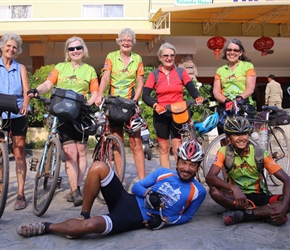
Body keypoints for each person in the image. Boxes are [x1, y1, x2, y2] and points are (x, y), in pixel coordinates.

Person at [16, 140, 206, 238]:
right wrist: (149, 194)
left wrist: (165, 221)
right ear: (178, 160)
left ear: (198, 167)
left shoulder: (198, 191)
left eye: (192, 165)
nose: (187, 168)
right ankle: (84, 213)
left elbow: (186, 217)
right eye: (184, 163)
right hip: (128, 200)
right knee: (98, 166)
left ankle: (46, 228)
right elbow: (138, 186)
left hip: (134, 218)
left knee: (88, 229)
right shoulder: (164, 172)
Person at [27, 36, 99, 207]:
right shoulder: (60, 67)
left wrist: (89, 103)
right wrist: (36, 90)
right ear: (67, 52)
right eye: (71, 49)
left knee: (81, 152)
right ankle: (75, 190)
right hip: (63, 113)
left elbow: (95, 91)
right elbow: (47, 84)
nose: (75, 51)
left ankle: (78, 188)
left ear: (83, 49)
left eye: (78, 48)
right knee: (70, 153)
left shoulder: (89, 70)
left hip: (80, 114)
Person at [205, 116, 290, 226]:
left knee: (287, 200)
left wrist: (283, 207)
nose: (241, 138)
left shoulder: (259, 153)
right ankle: (264, 213)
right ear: (228, 138)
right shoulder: (224, 151)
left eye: (244, 134)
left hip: (259, 195)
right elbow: (210, 177)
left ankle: (245, 215)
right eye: (236, 135)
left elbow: (287, 180)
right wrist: (233, 188)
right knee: (214, 191)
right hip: (236, 198)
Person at [142, 42, 203, 169]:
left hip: (178, 113)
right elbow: (145, 96)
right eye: (165, 56)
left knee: (177, 146)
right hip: (161, 113)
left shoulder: (181, 72)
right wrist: (155, 105)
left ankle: (180, 176)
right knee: (164, 148)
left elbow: (191, 88)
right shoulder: (154, 74)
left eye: (171, 55)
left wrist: (197, 97)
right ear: (160, 57)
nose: (169, 58)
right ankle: (166, 176)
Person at [95, 28, 145, 180]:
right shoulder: (111, 56)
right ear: (119, 42)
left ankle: (143, 180)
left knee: (136, 143)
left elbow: (140, 82)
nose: (126, 42)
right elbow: (105, 77)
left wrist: (135, 100)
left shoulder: (137, 59)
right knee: (118, 143)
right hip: (114, 103)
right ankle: (120, 180)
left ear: (133, 43)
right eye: (123, 40)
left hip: (130, 103)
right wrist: (99, 94)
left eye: (129, 40)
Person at [0, 32, 30, 210]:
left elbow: (26, 90)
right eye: (8, 46)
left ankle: (20, 194)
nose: (11, 49)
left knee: (19, 153)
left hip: (17, 113)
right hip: (0, 113)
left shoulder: (21, 68)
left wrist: (25, 105)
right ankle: (2, 190)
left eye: (14, 47)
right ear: (2, 46)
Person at [213, 38, 256, 135]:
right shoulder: (220, 70)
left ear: (241, 53)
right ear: (225, 52)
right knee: (225, 140)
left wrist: (238, 99)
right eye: (229, 50)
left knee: (244, 138)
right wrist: (226, 101)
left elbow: (250, 88)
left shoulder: (247, 66)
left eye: (235, 50)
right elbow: (216, 92)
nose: (232, 52)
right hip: (225, 107)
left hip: (243, 105)